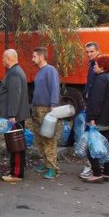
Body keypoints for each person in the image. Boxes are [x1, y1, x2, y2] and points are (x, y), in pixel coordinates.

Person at [83, 53, 109, 184]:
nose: (94, 67)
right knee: (107, 145)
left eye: (96, 65)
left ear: (102, 66)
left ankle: (97, 173)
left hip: (99, 120)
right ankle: (107, 173)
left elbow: (96, 101)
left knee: (91, 146)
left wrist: (92, 118)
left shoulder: (100, 80)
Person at [0, 49, 30, 183]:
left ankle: (16, 174)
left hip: (14, 117)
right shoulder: (14, 72)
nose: (2, 60)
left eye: (3, 58)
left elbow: (14, 96)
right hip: (15, 116)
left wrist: (11, 115)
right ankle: (14, 170)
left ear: (9, 58)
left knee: (16, 146)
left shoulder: (14, 73)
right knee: (14, 145)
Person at [30, 46, 61, 180]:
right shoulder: (40, 71)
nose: (33, 59)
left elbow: (55, 88)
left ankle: (52, 168)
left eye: (34, 56)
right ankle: (45, 162)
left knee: (48, 139)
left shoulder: (50, 71)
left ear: (41, 57)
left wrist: (53, 106)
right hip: (37, 109)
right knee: (39, 139)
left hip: (46, 109)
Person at [79, 41, 100, 180]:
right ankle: (95, 166)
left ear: (98, 50)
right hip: (90, 104)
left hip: (94, 107)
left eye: (91, 51)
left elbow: (96, 87)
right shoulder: (91, 64)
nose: (89, 54)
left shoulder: (98, 65)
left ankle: (93, 167)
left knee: (92, 138)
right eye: (87, 52)